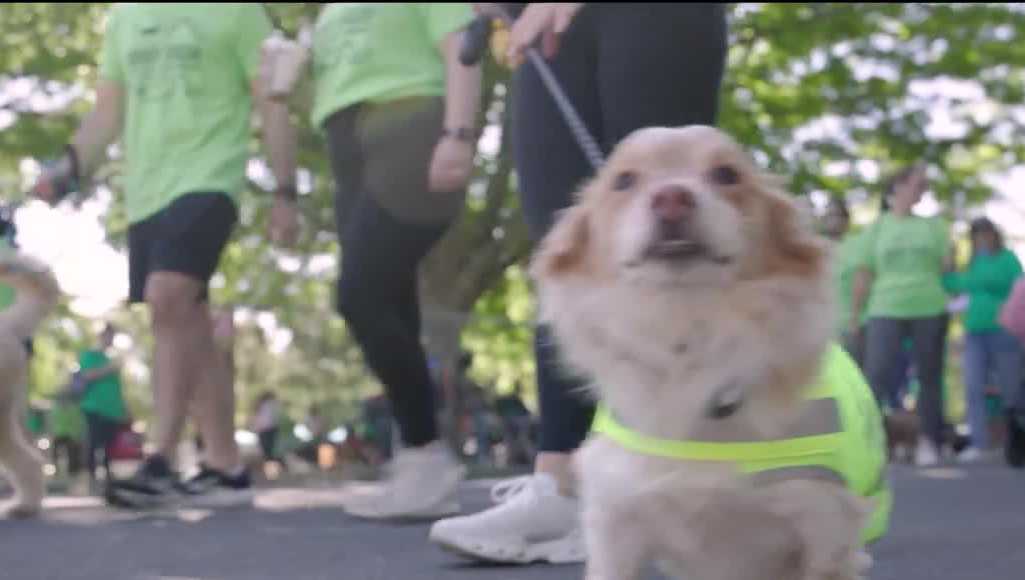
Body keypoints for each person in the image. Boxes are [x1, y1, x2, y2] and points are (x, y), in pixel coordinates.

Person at [430, 2, 728, 564]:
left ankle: (691, 481)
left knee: (672, 232)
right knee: (565, 248)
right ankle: (561, 486)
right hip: (542, 25)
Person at [33, 3, 299, 508]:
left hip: (209, 177)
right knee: (189, 318)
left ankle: (161, 461)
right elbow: (108, 113)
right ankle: (225, 467)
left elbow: (273, 102)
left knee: (167, 297)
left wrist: (286, 190)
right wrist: (68, 166)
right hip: (146, 191)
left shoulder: (240, 13)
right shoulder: (125, 18)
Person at [306, 4, 482, 520]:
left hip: (410, 128)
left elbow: (462, 49)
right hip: (347, 148)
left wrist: (458, 134)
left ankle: (427, 453)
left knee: (359, 295)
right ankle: (420, 462)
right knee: (389, 298)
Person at [851, 164, 954, 468]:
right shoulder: (878, 227)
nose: (921, 190)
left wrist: (948, 240)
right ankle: (870, 444)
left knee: (929, 378)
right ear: (898, 187)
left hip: (929, 307)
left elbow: (947, 267)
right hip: (885, 308)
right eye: (917, 183)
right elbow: (863, 274)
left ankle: (928, 441)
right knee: (876, 377)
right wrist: (856, 317)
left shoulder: (933, 226)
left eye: (924, 186)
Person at [943, 217, 1024, 462]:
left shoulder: (1007, 258)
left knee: (1011, 389)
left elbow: (1017, 285)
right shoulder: (974, 263)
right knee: (973, 384)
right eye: (976, 234)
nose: (981, 238)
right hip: (975, 330)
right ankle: (980, 442)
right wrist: (947, 270)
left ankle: (1014, 441)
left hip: (1004, 330)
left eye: (985, 233)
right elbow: (957, 285)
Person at [77, 324, 129, 488]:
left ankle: (107, 475)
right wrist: (109, 369)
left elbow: (117, 389)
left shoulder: (110, 358)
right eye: (108, 336)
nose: (111, 339)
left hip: (112, 410)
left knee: (109, 443)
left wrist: (124, 408)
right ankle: (91, 476)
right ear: (102, 336)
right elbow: (86, 375)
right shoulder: (90, 355)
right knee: (93, 441)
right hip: (94, 406)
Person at [822, 198, 869, 366]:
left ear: (845, 220)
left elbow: (862, 279)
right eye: (827, 215)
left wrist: (854, 319)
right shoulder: (817, 249)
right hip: (823, 329)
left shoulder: (856, 245)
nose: (830, 219)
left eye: (835, 215)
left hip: (852, 325)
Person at [250, 392, 281, 468]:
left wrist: (254, 428)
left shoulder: (261, 405)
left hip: (264, 430)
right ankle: (271, 471)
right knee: (270, 452)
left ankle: (271, 471)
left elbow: (258, 419)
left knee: (267, 452)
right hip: (270, 429)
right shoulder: (272, 404)